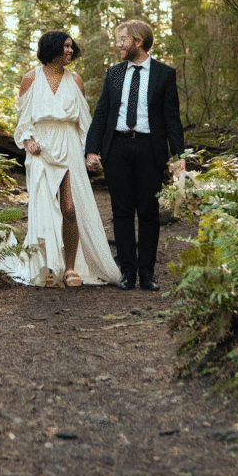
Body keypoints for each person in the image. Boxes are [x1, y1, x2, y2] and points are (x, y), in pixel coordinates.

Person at [0, 30, 120, 289]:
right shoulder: (30, 79)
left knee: (70, 209)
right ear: (51, 48)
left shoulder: (75, 80)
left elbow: (84, 122)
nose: (70, 50)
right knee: (44, 209)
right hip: (41, 149)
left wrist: (91, 152)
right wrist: (28, 141)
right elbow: (23, 121)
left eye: (70, 46)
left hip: (69, 147)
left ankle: (71, 267)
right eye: (65, 46)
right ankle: (49, 265)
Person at [85, 19, 186, 291]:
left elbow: (171, 118)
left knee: (149, 212)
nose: (118, 44)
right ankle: (127, 272)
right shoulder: (114, 73)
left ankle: (148, 273)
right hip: (117, 147)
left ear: (138, 42)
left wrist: (180, 155)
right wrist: (91, 150)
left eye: (122, 39)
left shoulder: (164, 74)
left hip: (148, 149)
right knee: (121, 211)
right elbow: (102, 114)